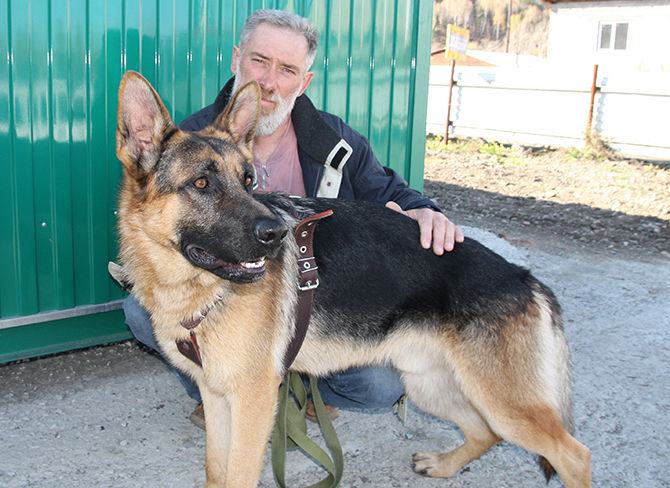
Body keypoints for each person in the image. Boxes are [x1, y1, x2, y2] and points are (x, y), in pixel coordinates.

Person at [122, 9, 464, 428]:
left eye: (287, 70)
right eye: (259, 61)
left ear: (304, 82)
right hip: (226, 300)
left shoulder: (337, 142)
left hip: (315, 311)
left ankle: (292, 386)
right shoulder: (187, 141)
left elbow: (389, 191)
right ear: (236, 59)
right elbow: (150, 219)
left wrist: (426, 212)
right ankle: (220, 386)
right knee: (140, 311)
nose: (269, 82)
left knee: (379, 386)